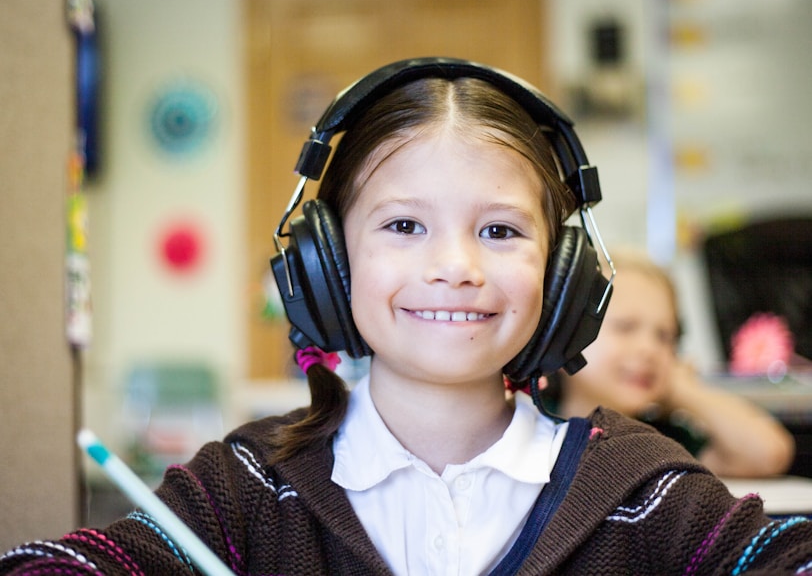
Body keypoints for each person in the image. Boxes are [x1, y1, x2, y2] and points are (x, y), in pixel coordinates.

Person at [2, 57, 811, 575]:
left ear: (565, 275)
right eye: (403, 225)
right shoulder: (248, 487)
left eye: (499, 230)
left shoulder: (644, 489)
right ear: (325, 262)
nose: (455, 265)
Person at [546, 249, 796, 478]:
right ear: (563, 335)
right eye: (625, 327)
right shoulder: (530, 427)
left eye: (665, 336)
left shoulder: (665, 442)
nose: (650, 349)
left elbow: (768, 454)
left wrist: (683, 389)